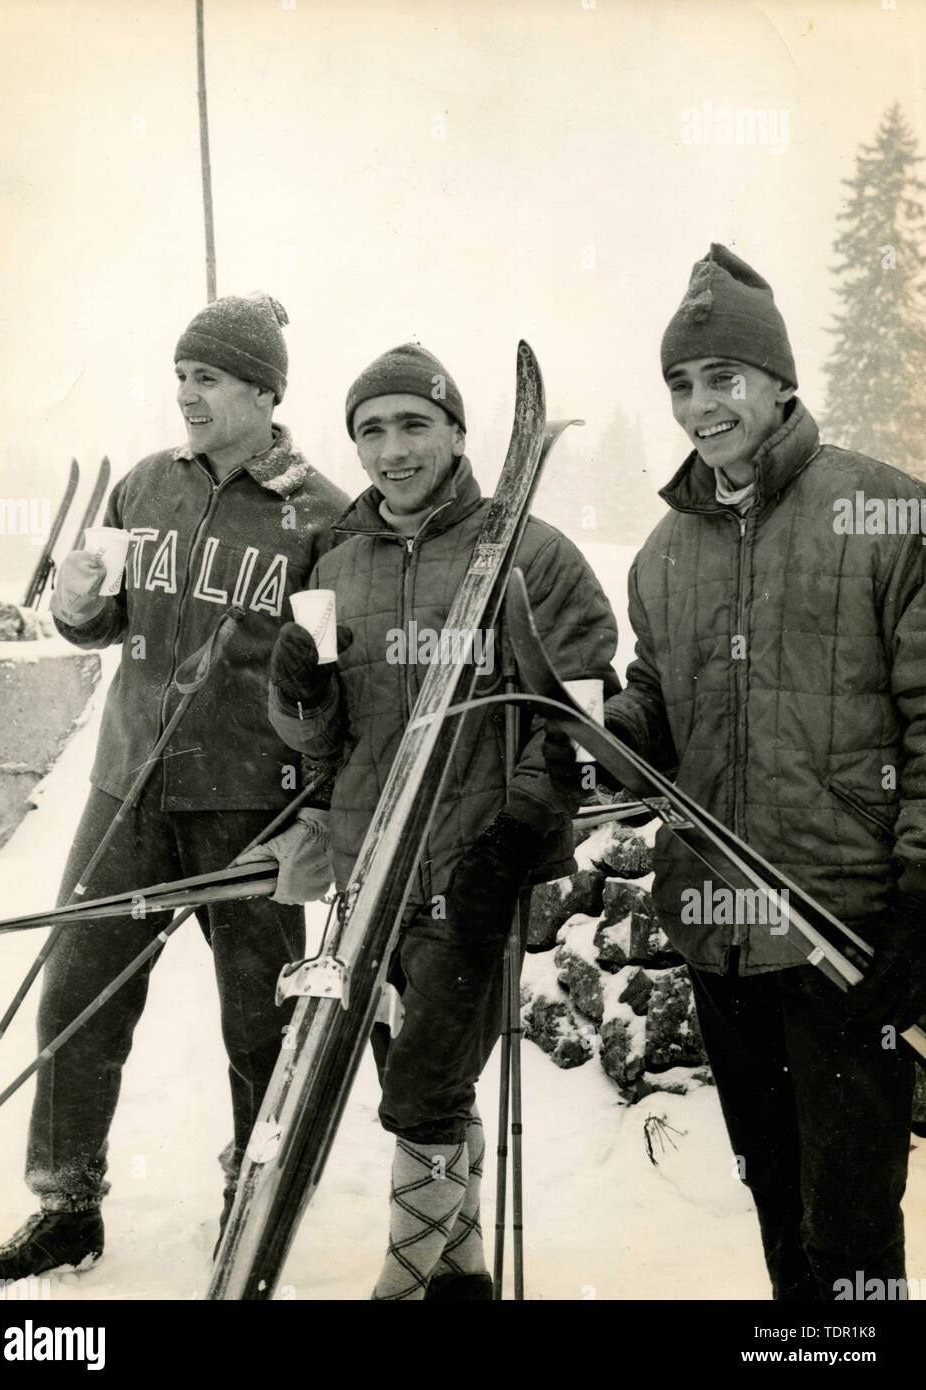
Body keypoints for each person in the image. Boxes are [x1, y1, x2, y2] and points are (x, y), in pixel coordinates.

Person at [547, 244, 926, 1300]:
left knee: (850, 1229)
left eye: (722, 376)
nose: (699, 404)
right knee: (780, 1214)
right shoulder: (663, 554)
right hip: (722, 938)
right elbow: (659, 714)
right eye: (680, 382)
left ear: (779, 382)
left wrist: (921, 894)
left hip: (845, 935)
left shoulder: (887, 515)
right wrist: (587, 725)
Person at [0, 294, 349, 1284]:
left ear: (265, 393)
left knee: (261, 1021)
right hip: (127, 786)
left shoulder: (324, 518)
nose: (187, 393)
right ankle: (66, 1205)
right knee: (77, 998)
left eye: (208, 376)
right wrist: (83, 609)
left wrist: (321, 814)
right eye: (181, 374)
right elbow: (101, 623)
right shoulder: (142, 487)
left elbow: (344, 683)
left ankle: (252, 1193)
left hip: (253, 808)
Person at [260, 343, 620, 1299]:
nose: (392, 448)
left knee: (420, 1088)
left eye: (414, 423)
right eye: (370, 430)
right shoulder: (338, 561)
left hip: (475, 871)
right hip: (368, 871)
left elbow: (576, 721)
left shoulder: (530, 554)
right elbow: (317, 739)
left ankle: (406, 1279)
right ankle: (462, 1274)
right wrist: (299, 684)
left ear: (458, 433)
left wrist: (520, 834)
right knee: (428, 1088)